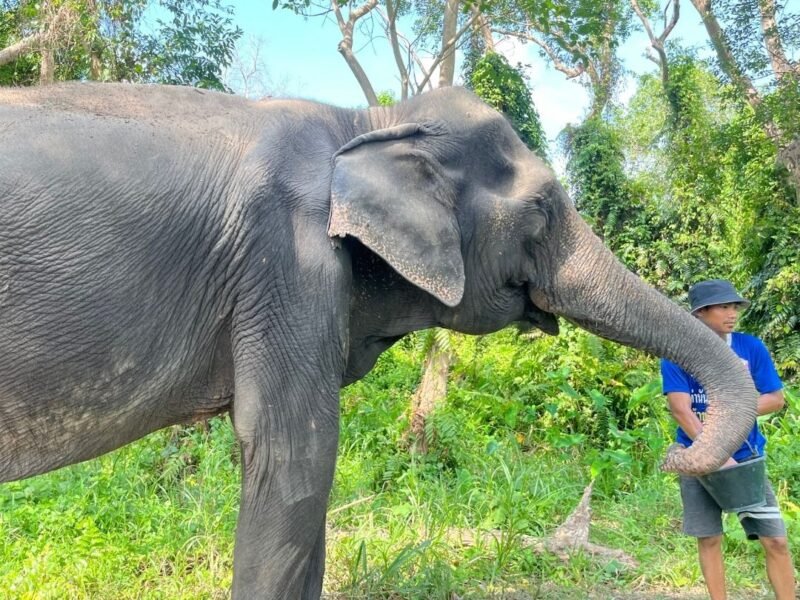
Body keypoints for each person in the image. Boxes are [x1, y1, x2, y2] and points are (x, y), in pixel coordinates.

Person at [660, 279, 795, 600]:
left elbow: (774, 399)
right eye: (723, 307)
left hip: (747, 458)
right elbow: (681, 409)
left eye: (734, 306)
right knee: (709, 538)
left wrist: (729, 413)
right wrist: (715, 452)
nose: (731, 313)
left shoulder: (750, 347)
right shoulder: (677, 353)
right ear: (700, 313)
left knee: (775, 540)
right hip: (699, 460)